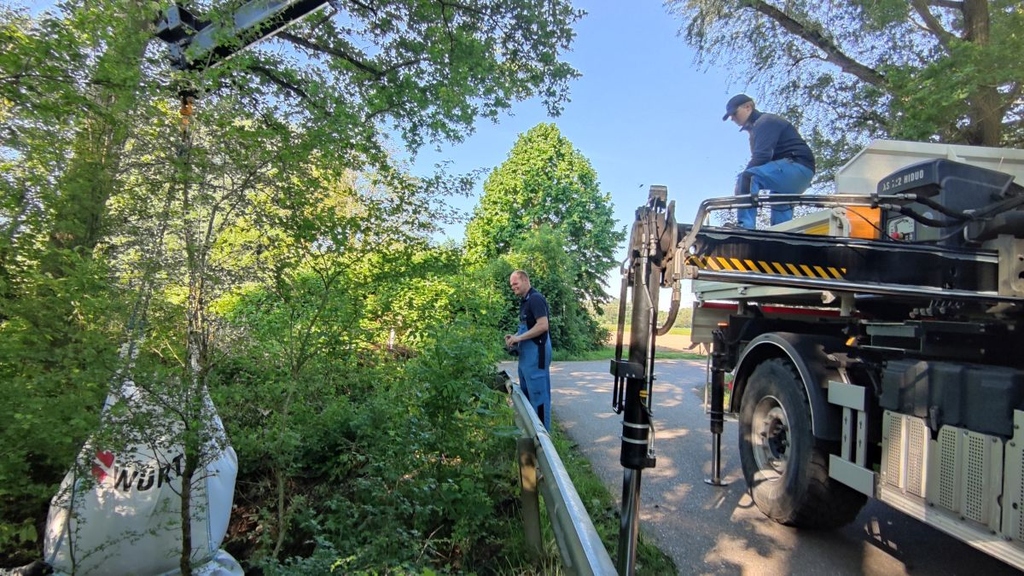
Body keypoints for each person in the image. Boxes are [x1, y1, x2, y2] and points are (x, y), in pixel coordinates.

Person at [723, 94, 815, 229]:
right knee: (779, 203)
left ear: (748, 107)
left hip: (795, 166)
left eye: (734, 113)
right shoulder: (758, 127)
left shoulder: (765, 121)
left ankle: (745, 227)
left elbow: (762, 156)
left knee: (748, 177)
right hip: (799, 173)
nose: (732, 118)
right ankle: (781, 235)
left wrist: (742, 184)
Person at [505, 270, 552, 430]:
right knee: (527, 394)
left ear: (525, 280)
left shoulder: (535, 299)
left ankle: (543, 435)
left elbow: (543, 326)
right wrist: (514, 337)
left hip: (537, 355)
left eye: (515, 283)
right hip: (526, 358)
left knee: (538, 396)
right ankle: (531, 432)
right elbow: (528, 327)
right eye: (511, 285)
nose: (513, 287)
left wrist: (519, 338)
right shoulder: (525, 302)